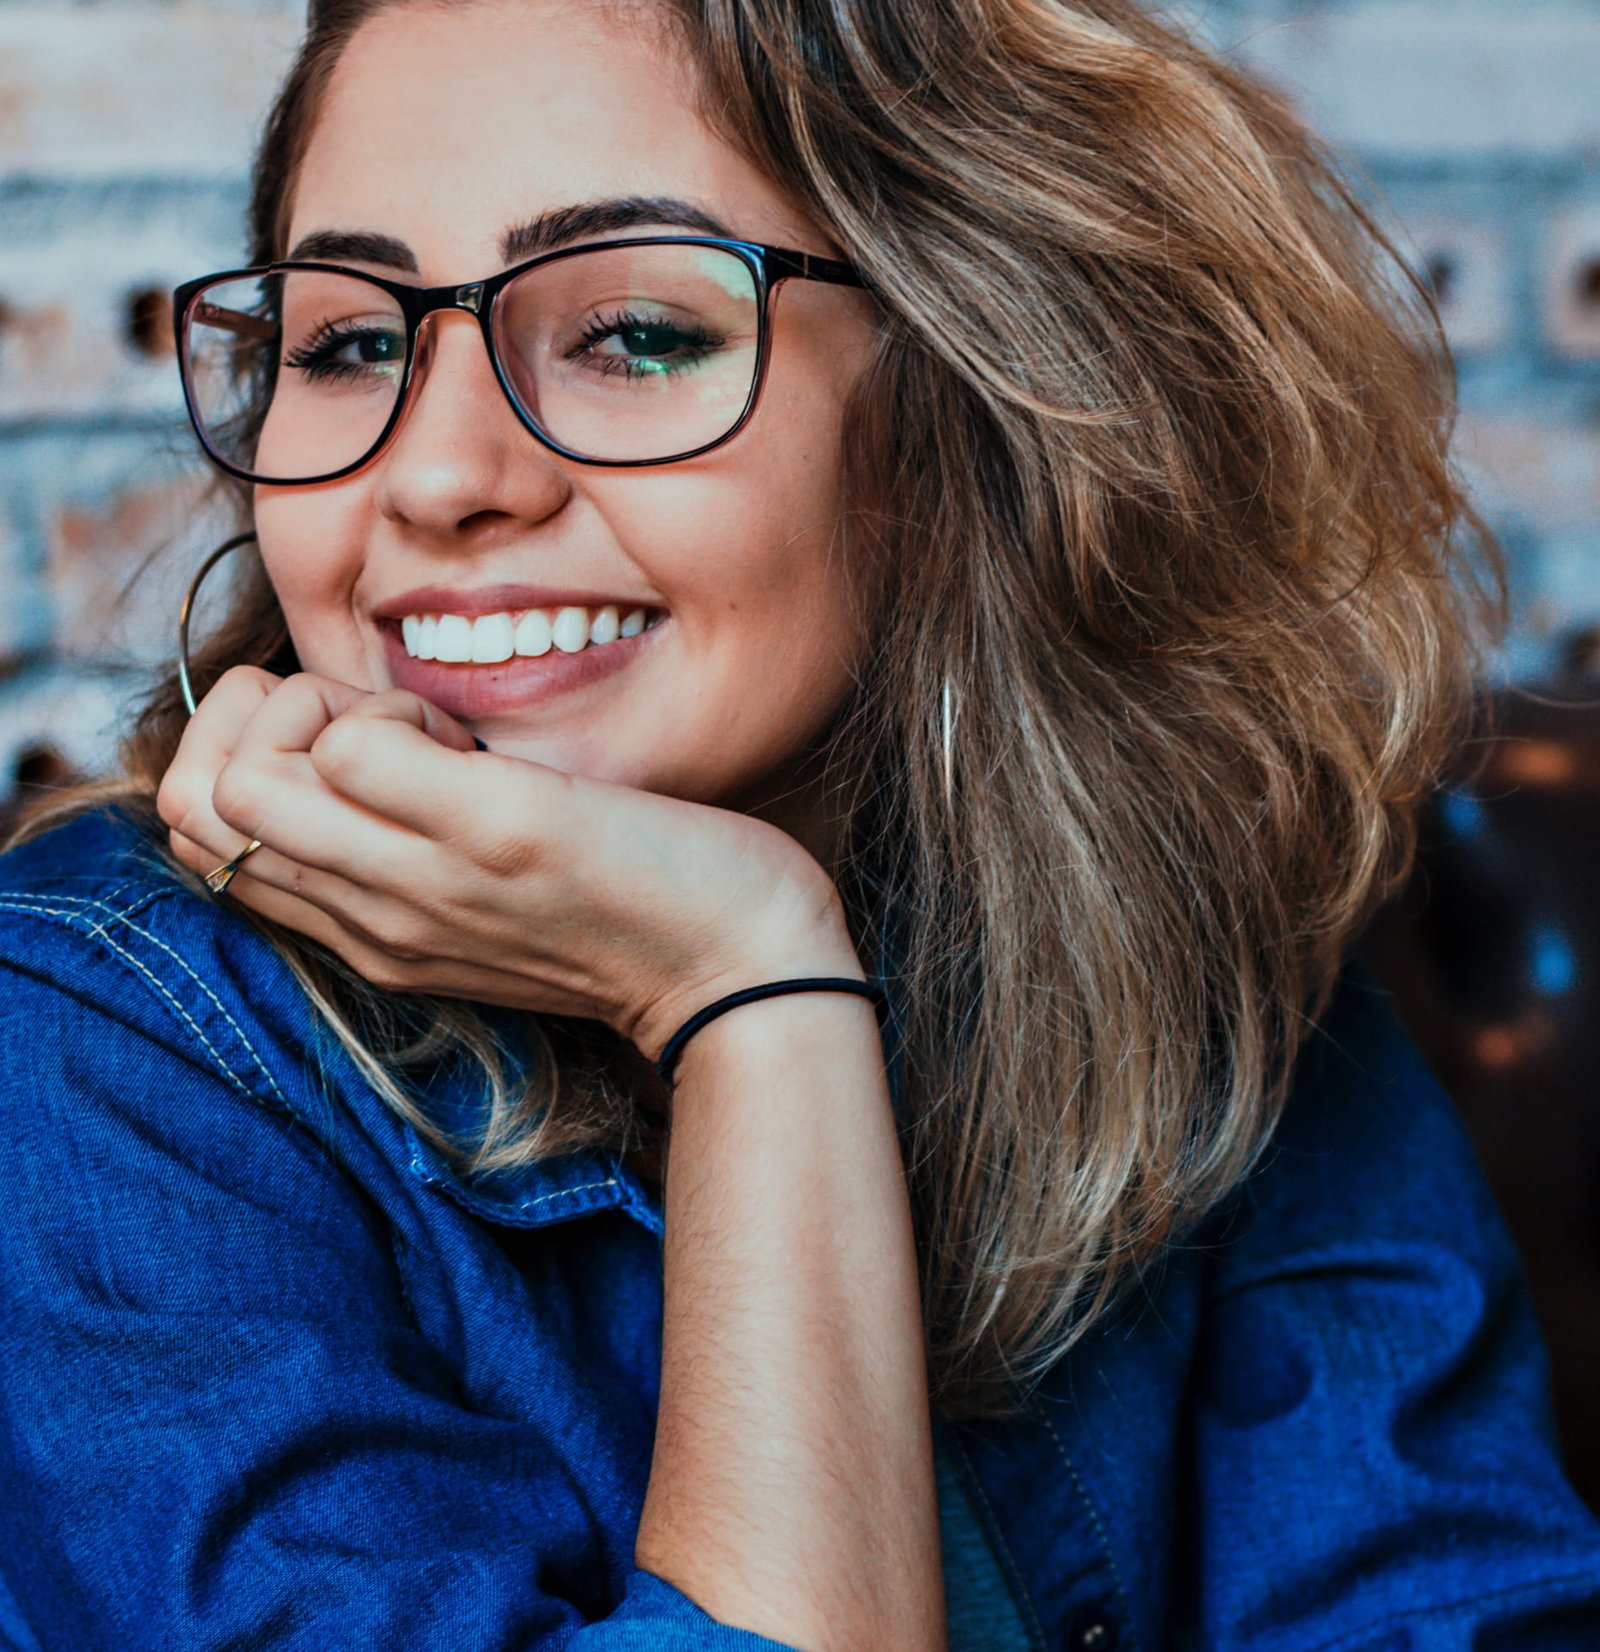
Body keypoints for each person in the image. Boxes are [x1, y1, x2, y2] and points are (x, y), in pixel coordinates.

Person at [2, 0, 1597, 1647]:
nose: (436, 473)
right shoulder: (94, 1051)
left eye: (630, 331)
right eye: (348, 342)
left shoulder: (1185, 915)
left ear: (970, 395)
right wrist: (751, 998)